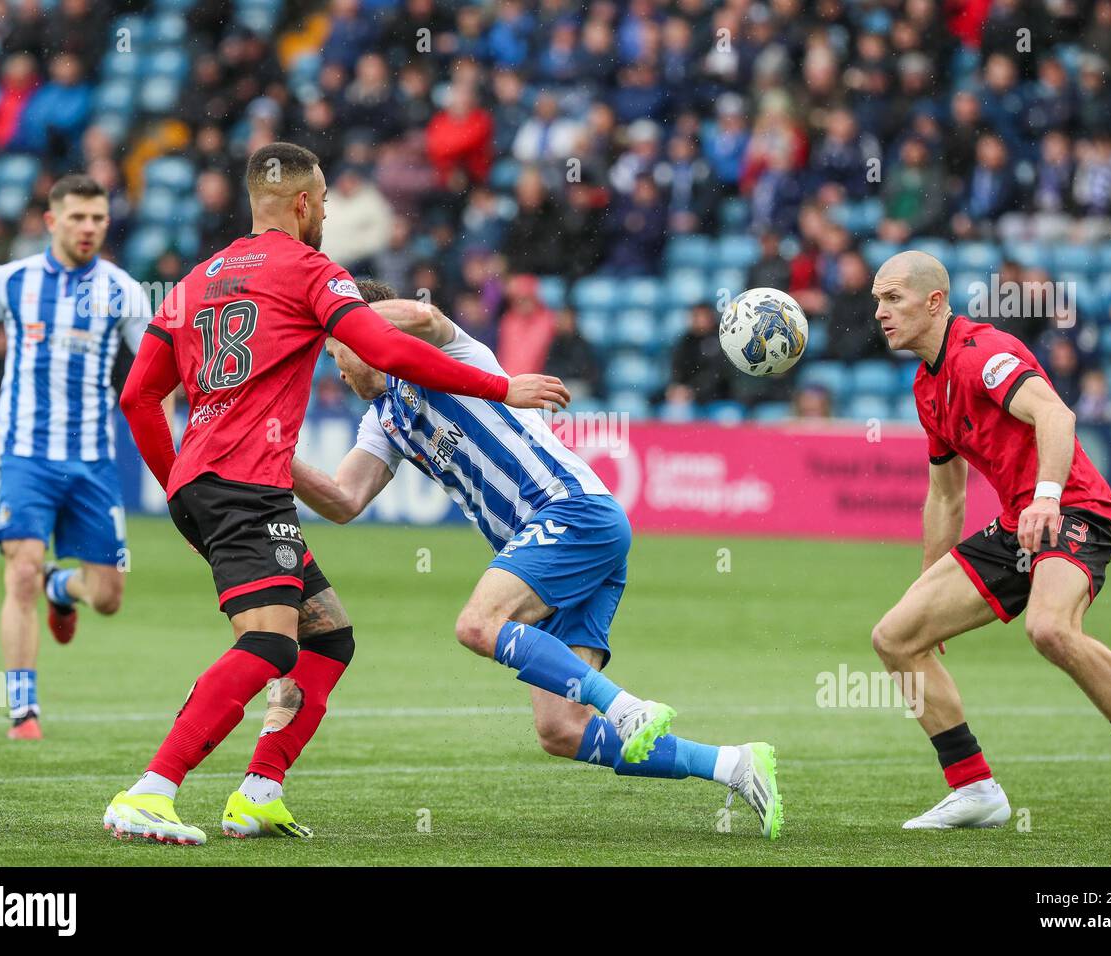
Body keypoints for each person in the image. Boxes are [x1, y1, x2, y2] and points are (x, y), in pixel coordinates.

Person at [107, 142, 569, 846]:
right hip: (245, 484)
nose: (325, 212)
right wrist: (501, 385)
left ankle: (258, 792)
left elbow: (140, 396)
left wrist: (177, 479)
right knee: (267, 645)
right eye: (323, 202)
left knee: (327, 635)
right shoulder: (311, 269)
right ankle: (151, 790)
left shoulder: (194, 281)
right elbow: (383, 349)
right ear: (302, 203)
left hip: (204, 480)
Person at [291, 280, 783, 840]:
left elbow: (425, 316)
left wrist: (345, 315)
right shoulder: (383, 421)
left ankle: (625, 707)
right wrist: (277, 459)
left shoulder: (447, 354)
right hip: (555, 545)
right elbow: (343, 499)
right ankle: (734, 765)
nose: (338, 371)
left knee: (477, 624)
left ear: (362, 336)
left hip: (571, 511)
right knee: (561, 730)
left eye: (337, 354)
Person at [868, 250, 1111, 835]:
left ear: (934, 302)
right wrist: (926, 588)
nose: (880, 312)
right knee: (896, 637)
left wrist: (1047, 496)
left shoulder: (982, 354)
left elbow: (1056, 416)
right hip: (1022, 522)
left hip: (1073, 509)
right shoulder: (927, 387)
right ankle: (974, 789)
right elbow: (946, 496)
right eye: (876, 301)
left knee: (1048, 628)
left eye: (892, 298)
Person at [0, 175, 153, 741]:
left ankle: (62, 588)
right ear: (52, 222)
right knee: (20, 569)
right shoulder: (11, 280)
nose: (89, 228)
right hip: (24, 452)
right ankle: (23, 712)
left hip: (93, 460)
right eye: (77, 218)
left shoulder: (123, 289)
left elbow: (156, 362)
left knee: (107, 597)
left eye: (98, 219)